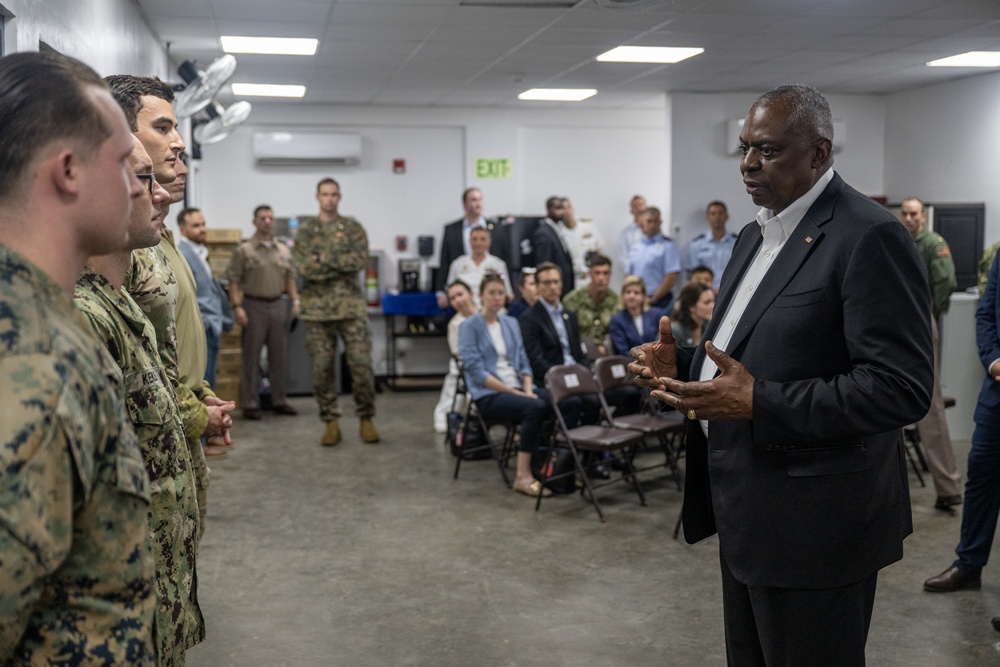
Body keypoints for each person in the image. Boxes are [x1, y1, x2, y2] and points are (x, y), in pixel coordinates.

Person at [629, 84, 932, 665]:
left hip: (816, 527)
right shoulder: (754, 235)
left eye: (766, 151)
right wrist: (687, 362)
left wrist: (760, 403)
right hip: (746, 509)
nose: (746, 165)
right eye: (744, 148)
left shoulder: (869, 235)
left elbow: (900, 388)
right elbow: (752, 351)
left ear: (819, 154)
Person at [0, 50, 156, 665]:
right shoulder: (38, 366)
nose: (138, 186)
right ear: (68, 171)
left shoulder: (42, 321)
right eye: (122, 163)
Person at [74, 137, 202, 666]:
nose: (161, 194)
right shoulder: (84, 318)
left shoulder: (121, 302)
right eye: (144, 178)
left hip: (155, 592)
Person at [924, 251, 1000, 593]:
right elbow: (985, 314)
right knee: (981, 475)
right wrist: (994, 360)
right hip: (997, 391)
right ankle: (968, 566)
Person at [294, 178, 379, 446]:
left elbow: (359, 261)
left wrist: (323, 259)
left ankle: (366, 418)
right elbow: (304, 268)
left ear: (339, 197)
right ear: (317, 197)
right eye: (325, 194)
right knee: (321, 370)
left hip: (351, 309)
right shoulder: (306, 232)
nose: (329, 199)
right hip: (317, 312)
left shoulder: (353, 228)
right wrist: (336, 263)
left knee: (361, 366)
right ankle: (330, 421)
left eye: (334, 194)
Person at [458, 274, 553, 497]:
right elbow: (477, 373)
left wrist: (527, 390)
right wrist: (515, 393)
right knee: (535, 407)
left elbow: (523, 361)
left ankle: (546, 464)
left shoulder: (510, 323)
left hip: (519, 388)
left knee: (555, 399)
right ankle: (522, 476)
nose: (497, 297)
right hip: (488, 394)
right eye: (491, 292)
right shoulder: (469, 327)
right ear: (480, 296)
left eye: (500, 292)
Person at [898, 196, 962, 512]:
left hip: (919, 322)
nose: (908, 219)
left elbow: (946, 280)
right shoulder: (895, 239)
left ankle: (948, 485)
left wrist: (928, 311)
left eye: (914, 214)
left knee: (931, 404)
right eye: (905, 213)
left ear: (923, 216)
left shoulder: (931, 243)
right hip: (899, 324)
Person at [227, 204, 300, 419]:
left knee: (279, 357)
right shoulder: (245, 249)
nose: (267, 222)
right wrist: (237, 307)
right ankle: (250, 403)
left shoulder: (283, 250)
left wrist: (296, 301)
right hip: (253, 305)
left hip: (278, 304)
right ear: (254, 221)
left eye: (270, 218)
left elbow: (290, 279)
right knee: (252, 357)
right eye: (262, 218)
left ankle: (279, 400)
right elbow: (234, 280)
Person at [177, 207, 233, 387]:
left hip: (211, 325)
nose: (202, 229)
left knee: (209, 379)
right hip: (201, 324)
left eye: (203, 224)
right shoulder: (183, 255)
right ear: (182, 229)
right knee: (204, 381)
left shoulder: (201, 253)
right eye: (196, 226)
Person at [435, 187, 509, 307]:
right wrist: (440, 291)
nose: (478, 203)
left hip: (490, 289)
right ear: (465, 204)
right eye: (474, 200)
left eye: (480, 199)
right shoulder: (452, 229)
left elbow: (506, 258)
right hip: (463, 289)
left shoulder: (497, 229)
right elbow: (445, 260)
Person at [432, 280, 479, 433]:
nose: (457, 300)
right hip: (469, 366)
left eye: (460, 294)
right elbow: (458, 354)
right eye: (452, 298)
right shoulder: (455, 325)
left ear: (470, 294)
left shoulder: (487, 313)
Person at [626, 206, 681, 313]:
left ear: (660, 222)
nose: (652, 225)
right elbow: (629, 275)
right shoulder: (636, 247)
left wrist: (653, 298)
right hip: (638, 301)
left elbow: (671, 277)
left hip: (660, 302)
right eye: (649, 221)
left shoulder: (669, 246)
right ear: (642, 223)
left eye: (655, 221)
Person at [562, 254, 619, 355]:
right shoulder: (572, 300)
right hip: (580, 352)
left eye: (605, 273)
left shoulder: (616, 301)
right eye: (597, 273)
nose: (601, 278)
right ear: (590, 274)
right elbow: (567, 333)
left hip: (608, 354)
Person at [444, 226, 512, 307]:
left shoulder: (499, 264)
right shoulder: (457, 264)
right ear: (469, 241)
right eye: (475, 239)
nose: (478, 243)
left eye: (482, 239)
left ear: (489, 242)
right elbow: (451, 291)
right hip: (464, 309)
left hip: (492, 309)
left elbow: (508, 293)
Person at [685, 200, 738, 290]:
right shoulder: (697, 244)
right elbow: (693, 274)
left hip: (730, 290)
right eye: (713, 214)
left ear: (726, 216)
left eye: (720, 213)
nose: (717, 217)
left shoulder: (736, 242)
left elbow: (739, 269)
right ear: (707, 217)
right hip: (704, 292)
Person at [610, 275, 666, 355]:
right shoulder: (617, 320)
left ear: (643, 296)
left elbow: (662, 343)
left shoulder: (656, 314)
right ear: (622, 295)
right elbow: (623, 350)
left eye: (636, 293)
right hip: (631, 363)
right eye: (628, 292)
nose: (632, 296)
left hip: (657, 360)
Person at [531, 196, 576, 296]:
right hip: (553, 286)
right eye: (557, 208)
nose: (561, 212)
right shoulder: (543, 233)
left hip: (564, 284)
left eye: (562, 208)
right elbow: (544, 263)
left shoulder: (557, 229)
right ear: (548, 210)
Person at [560, 196, 605, 287]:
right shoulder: (559, 232)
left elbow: (599, 250)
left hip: (590, 278)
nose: (567, 211)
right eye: (562, 208)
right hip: (572, 280)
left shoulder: (587, 226)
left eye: (568, 207)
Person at [670, 281, 716, 348]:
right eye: (707, 302)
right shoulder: (675, 330)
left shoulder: (710, 326)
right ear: (692, 307)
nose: (713, 306)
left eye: (713, 301)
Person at [618, 194, 647, 270]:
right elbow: (622, 260)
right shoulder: (625, 233)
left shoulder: (656, 230)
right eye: (635, 206)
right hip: (633, 276)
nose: (639, 208)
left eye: (641, 205)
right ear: (631, 211)